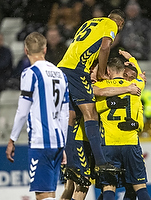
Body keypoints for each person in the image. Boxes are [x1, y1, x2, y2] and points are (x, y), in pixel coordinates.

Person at [57, 9, 125, 171]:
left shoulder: (90, 22)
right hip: (77, 69)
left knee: (71, 116)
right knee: (91, 114)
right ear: (120, 23)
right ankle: (101, 162)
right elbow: (105, 47)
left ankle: (71, 165)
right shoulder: (111, 24)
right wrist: (101, 72)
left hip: (62, 67)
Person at [5, 32, 69, 200]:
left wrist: (12, 139)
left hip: (41, 141)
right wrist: (63, 145)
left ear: (26, 51)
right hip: (57, 141)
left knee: (42, 195)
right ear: (45, 49)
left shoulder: (30, 73)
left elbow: (22, 110)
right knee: (50, 193)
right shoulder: (60, 75)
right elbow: (65, 114)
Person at [93, 50, 151, 200]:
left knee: (108, 188)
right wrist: (131, 58)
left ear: (107, 71)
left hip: (109, 144)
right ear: (124, 71)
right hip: (130, 143)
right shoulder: (135, 86)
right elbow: (141, 77)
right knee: (139, 186)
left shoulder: (102, 87)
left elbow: (95, 108)